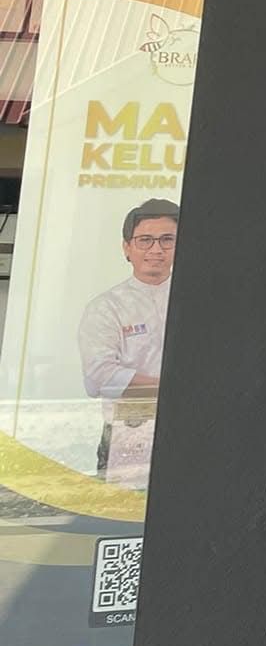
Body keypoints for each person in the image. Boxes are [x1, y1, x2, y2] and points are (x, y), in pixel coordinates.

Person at [77, 198, 178, 489]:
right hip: (128, 432)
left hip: (191, 427)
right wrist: (174, 388)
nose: (156, 250)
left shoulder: (201, 303)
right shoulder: (106, 307)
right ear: (126, 248)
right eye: (145, 240)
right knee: (128, 512)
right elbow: (99, 378)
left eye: (167, 240)